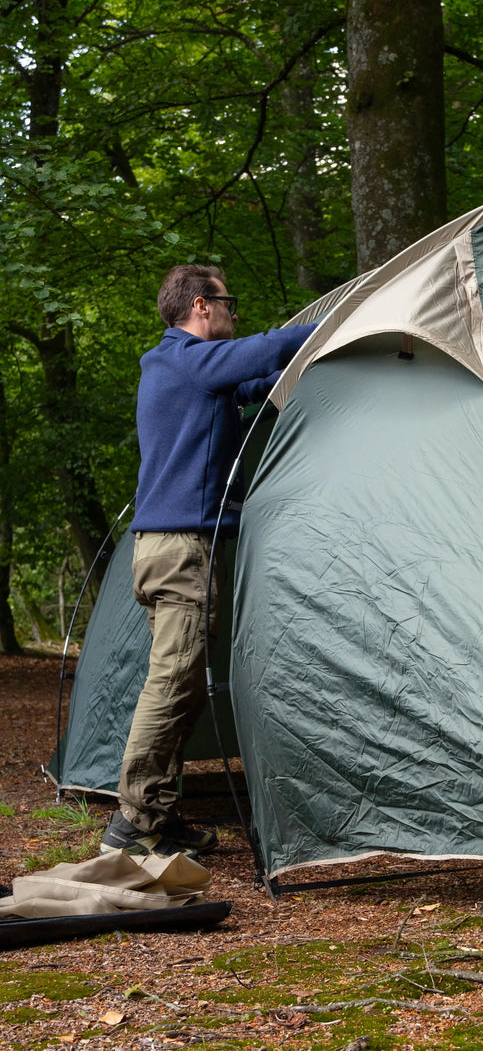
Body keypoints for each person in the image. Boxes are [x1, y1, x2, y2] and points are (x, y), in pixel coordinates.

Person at [101, 265, 316, 859]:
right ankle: (133, 821)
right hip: (181, 552)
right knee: (174, 681)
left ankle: (158, 812)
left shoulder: (181, 370)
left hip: (162, 550)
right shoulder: (188, 361)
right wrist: (340, 322)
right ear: (201, 306)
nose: (234, 313)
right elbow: (265, 350)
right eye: (227, 303)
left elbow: (254, 381)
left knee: (186, 684)